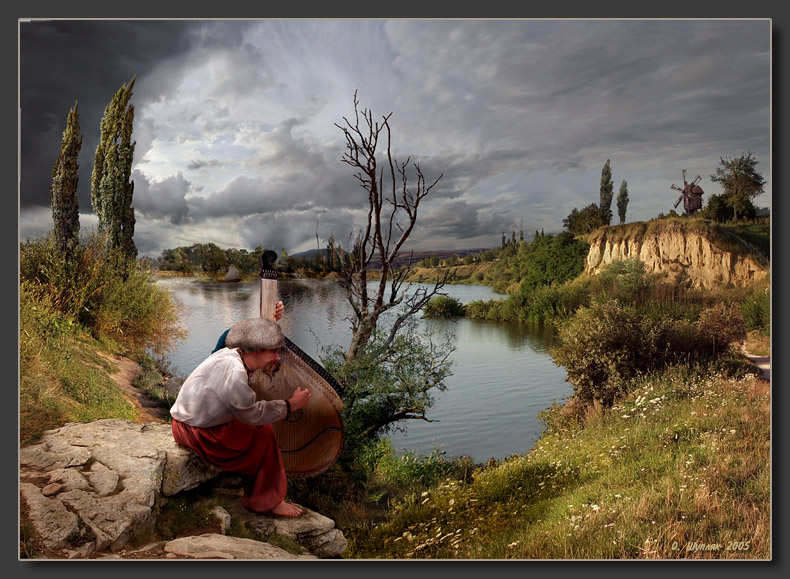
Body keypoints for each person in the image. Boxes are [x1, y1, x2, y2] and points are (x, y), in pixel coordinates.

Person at [170, 307, 311, 518]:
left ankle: (262, 492)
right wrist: (290, 405)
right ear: (255, 351)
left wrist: (268, 320)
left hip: (186, 425)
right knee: (264, 432)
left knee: (259, 431)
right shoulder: (235, 372)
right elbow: (252, 415)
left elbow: (233, 334)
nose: (278, 357)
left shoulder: (229, 354)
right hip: (197, 433)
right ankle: (266, 500)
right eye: (273, 351)